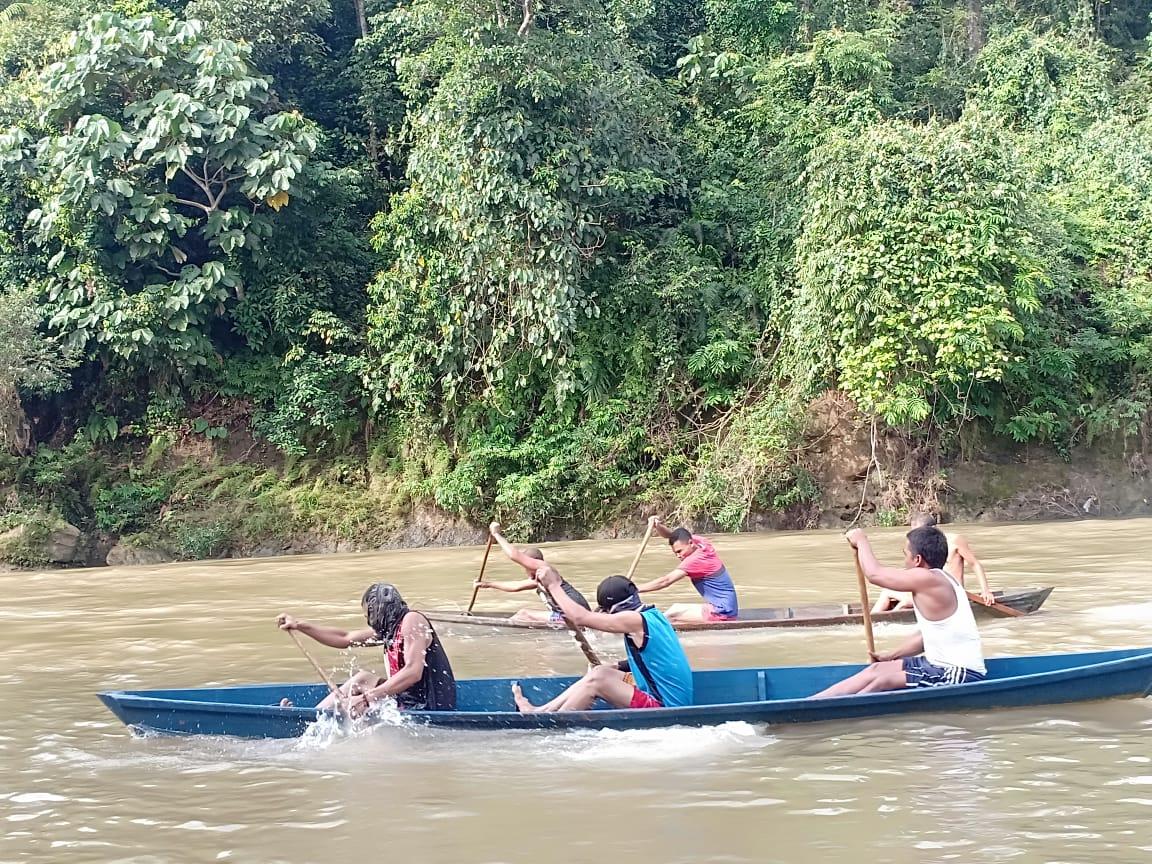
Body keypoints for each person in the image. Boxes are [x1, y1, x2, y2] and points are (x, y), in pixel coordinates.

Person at [811, 526, 987, 698]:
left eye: (906, 555)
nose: (905, 561)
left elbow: (875, 575)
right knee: (876, 670)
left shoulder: (928, 578)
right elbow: (925, 638)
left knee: (883, 682)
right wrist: (891, 656)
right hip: (936, 663)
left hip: (960, 673)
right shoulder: (940, 578)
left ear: (917, 560)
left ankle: (841, 711)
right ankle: (813, 702)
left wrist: (861, 540)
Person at [511, 573, 694, 712]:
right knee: (600, 671)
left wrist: (553, 585)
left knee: (598, 682)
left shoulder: (634, 620)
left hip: (665, 706)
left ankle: (553, 725)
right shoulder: (654, 615)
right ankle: (541, 711)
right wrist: (616, 665)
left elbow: (580, 617)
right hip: (667, 696)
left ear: (612, 610)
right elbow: (655, 659)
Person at [276, 582, 456, 715]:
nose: (369, 620)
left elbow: (413, 672)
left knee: (364, 689)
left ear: (377, 612)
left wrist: (367, 698)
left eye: (368, 615)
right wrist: (299, 625)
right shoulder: (389, 630)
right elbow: (345, 638)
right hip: (409, 702)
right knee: (361, 679)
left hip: (431, 707)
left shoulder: (412, 620)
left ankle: (312, 721)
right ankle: (312, 717)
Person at [871, 513, 995, 613]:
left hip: (950, 594)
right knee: (887, 591)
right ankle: (873, 621)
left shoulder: (954, 540)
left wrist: (985, 591)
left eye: (919, 533)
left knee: (898, 599)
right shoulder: (921, 546)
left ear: (931, 529)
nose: (917, 538)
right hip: (929, 592)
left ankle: (881, 621)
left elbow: (975, 564)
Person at [634, 515, 739, 621]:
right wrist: (658, 526)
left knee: (672, 613)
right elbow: (671, 535)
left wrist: (633, 590)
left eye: (680, 551)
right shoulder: (702, 542)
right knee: (676, 608)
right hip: (726, 608)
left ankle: (648, 626)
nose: (678, 556)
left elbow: (665, 581)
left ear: (691, 543)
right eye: (676, 553)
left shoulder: (695, 560)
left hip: (722, 612)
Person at [483, 522, 591, 625]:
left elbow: (514, 555)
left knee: (524, 614)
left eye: (526, 566)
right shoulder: (540, 579)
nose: (525, 570)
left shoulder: (545, 568)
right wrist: (487, 584)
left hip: (577, 617)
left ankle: (502, 629)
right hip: (567, 616)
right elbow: (515, 586)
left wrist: (496, 534)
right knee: (525, 616)